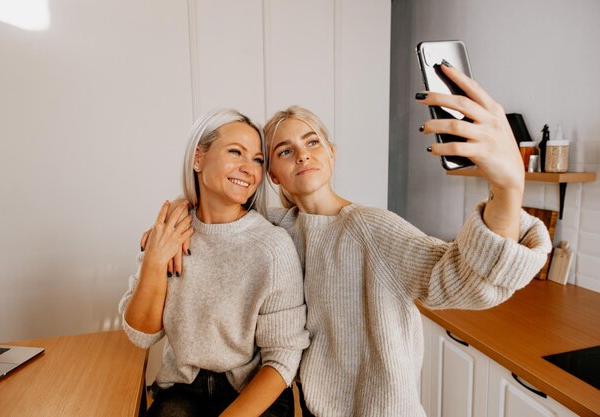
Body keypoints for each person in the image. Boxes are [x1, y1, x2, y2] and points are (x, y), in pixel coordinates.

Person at [146, 63, 551, 416]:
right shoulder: (280, 228)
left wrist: (508, 190)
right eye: (284, 152)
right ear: (271, 175)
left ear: (332, 154)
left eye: (312, 142)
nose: (302, 155)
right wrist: (181, 214)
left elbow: (465, 281)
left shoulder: (371, 228)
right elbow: (225, 221)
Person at [120, 109, 309, 417]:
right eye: (236, 152)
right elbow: (141, 334)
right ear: (198, 158)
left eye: (258, 159)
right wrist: (154, 259)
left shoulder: (272, 247)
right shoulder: (170, 231)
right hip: (182, 389)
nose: (248, 168)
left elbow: (283, 357)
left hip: (253, 390)